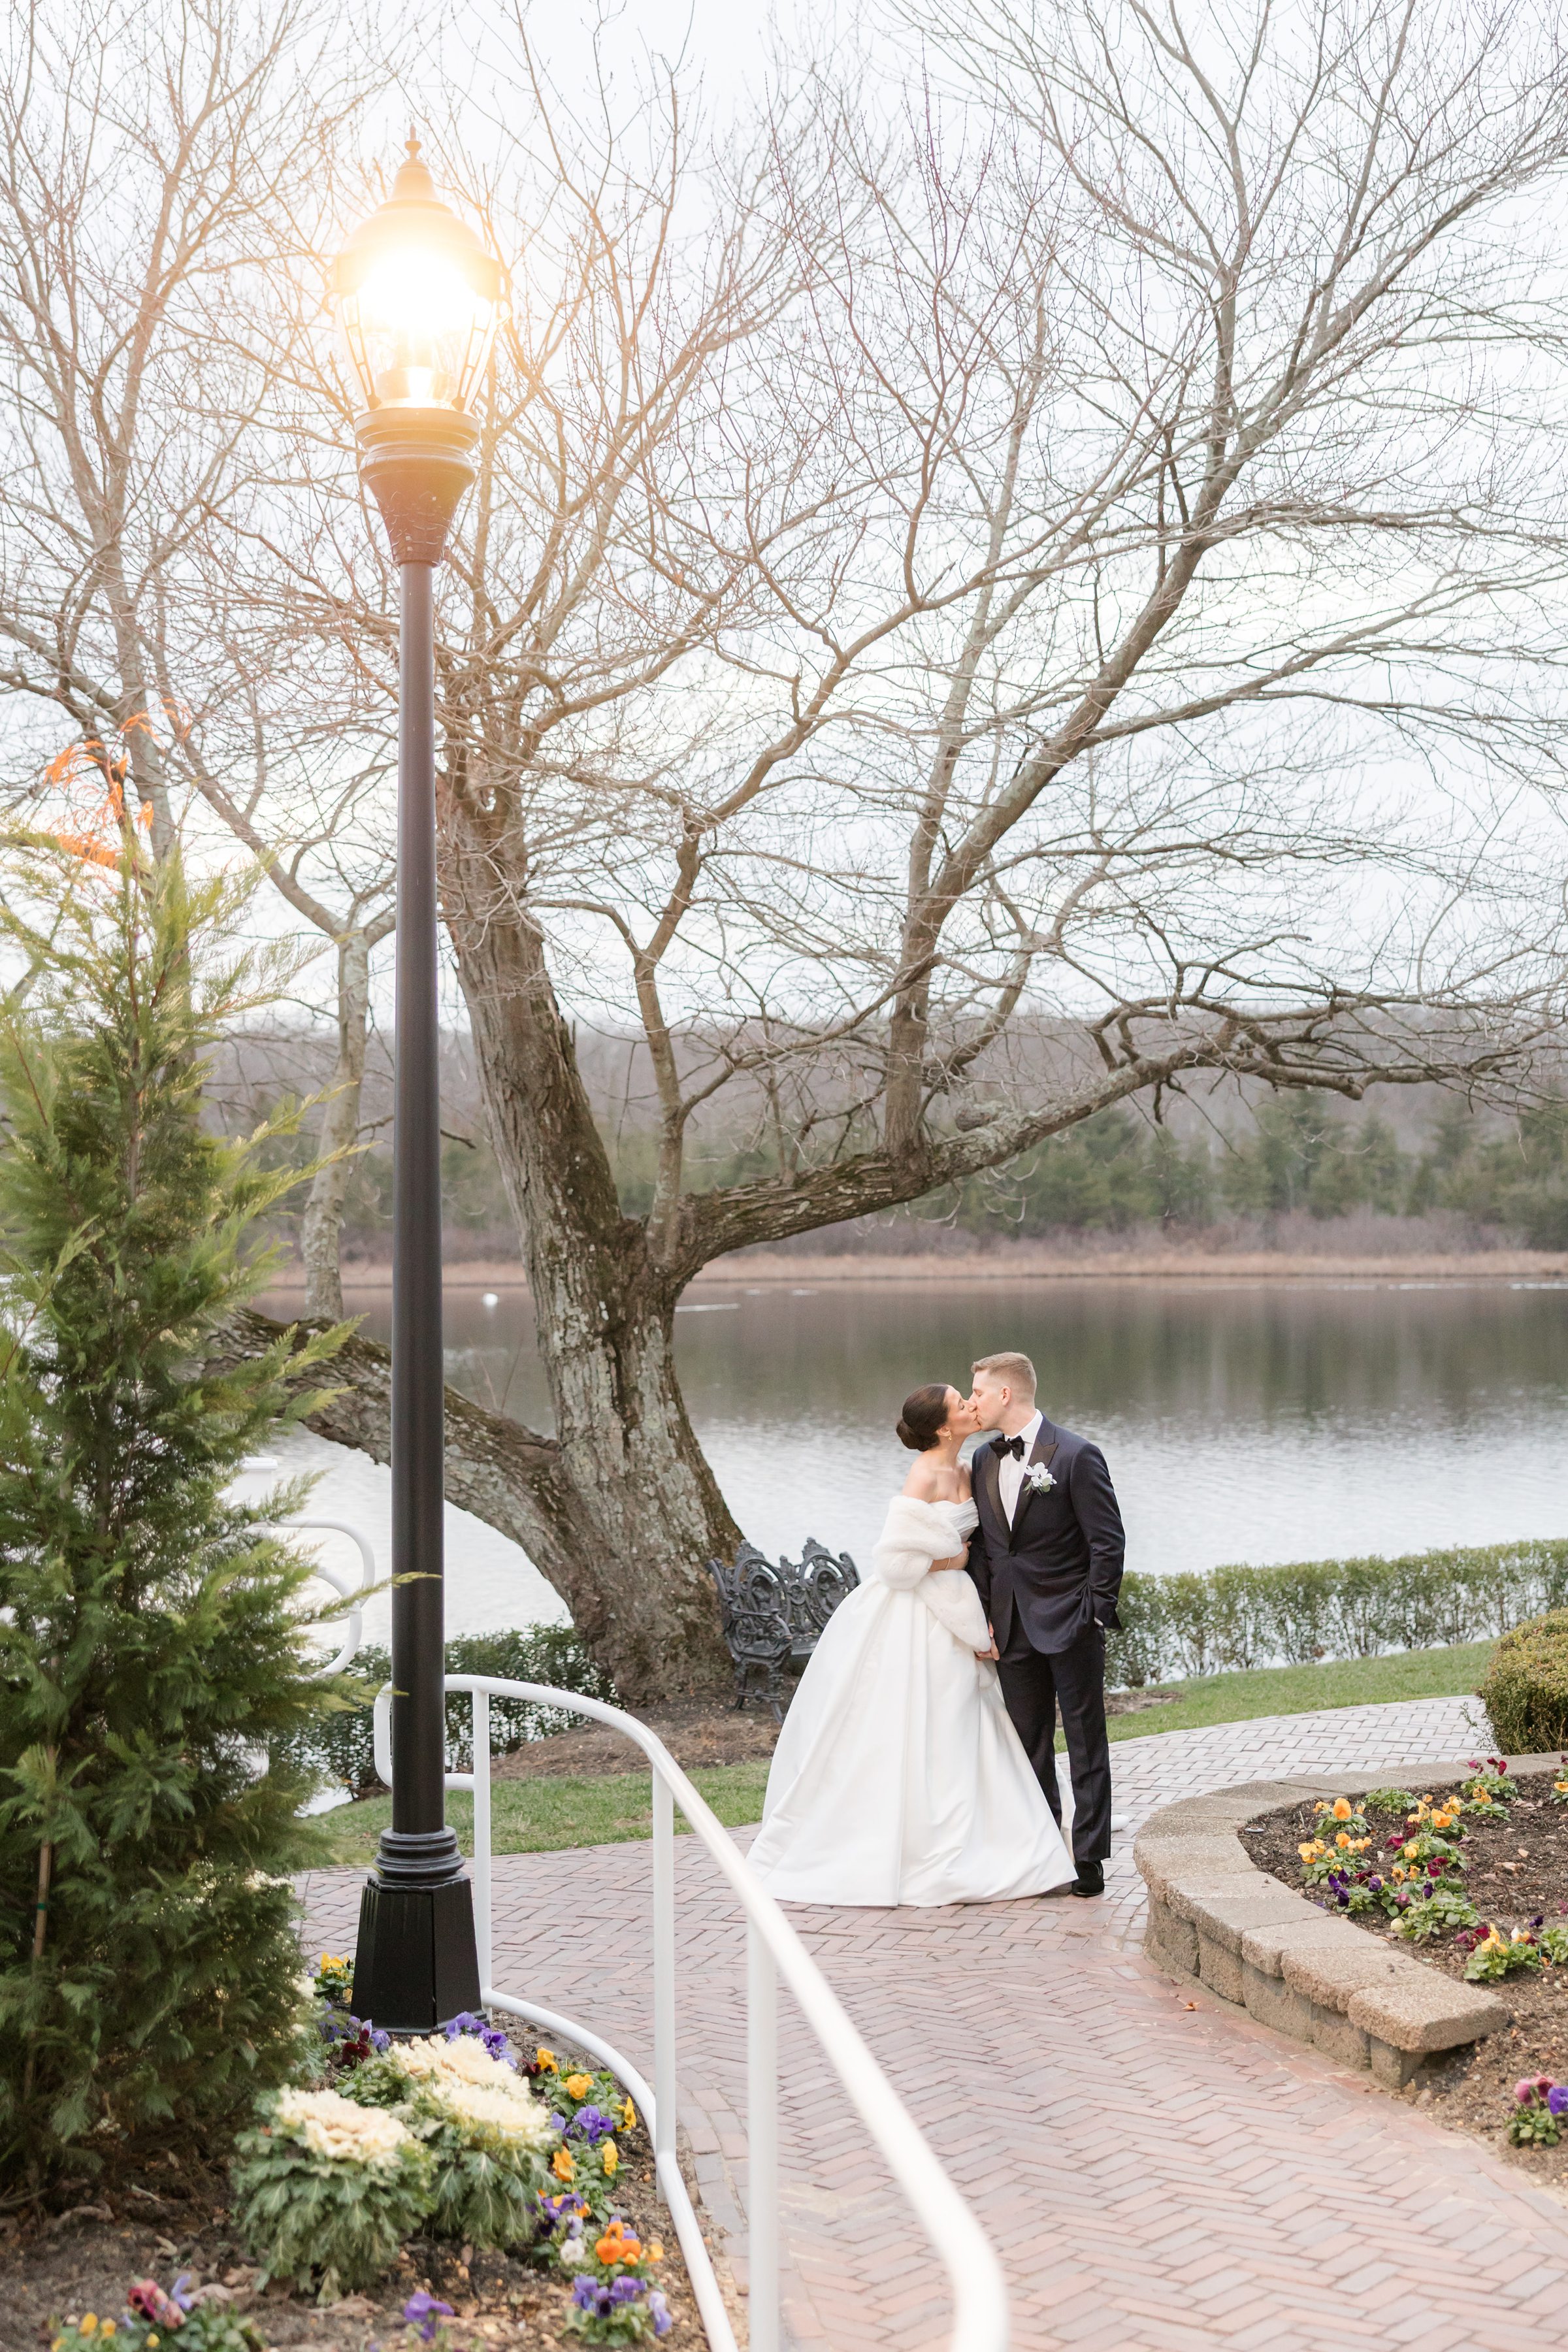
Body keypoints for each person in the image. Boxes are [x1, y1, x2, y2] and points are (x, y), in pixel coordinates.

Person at [745, 1382, 1076, 1907]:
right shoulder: (924, 1474)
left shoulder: (972, 1468)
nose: (972, 1405)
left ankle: (1000, 1833)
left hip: (959, 1607)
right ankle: (921, 1843)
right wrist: (954, 1560)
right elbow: (896, 1567)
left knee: (971, 1721)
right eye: (960, 1402)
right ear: (945, 1427)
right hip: (918, 1616)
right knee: (927, 1721)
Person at [965, 1350, 1126, 1899]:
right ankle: (1044, 1851)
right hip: (1009, 1627)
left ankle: (1088, 1858)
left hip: (1071, 1624)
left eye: (979, 1392)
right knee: (1028, 1745)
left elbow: (1108, 1543)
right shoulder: (984, 1461)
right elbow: (988, 1552)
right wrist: (984, 1617)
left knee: (1085, 1743)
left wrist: (1094, 1612)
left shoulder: (1078, 1456)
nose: (972, 1403)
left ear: (1006, 1394)